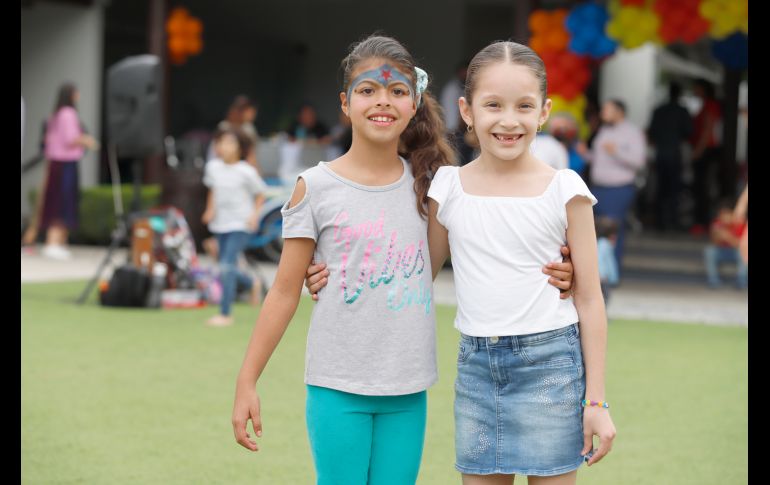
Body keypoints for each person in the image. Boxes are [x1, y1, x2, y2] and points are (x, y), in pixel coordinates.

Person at [231, 35, 575, 485]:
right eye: (368, 90)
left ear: (415, 103)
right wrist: (247, 380)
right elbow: (282, 290)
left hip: (408, 390)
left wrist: (562, 269)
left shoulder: (433, 187)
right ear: (345, 102)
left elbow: (491, 242)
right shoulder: (314, 187)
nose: (383, 101)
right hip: (337, 386)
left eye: (397, 91)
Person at [427, 40, 616, 484]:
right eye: (492, 105)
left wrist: (597, 402)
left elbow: (589, 300)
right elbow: (415, 276)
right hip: (475, 368)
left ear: (544, 111)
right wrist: (328, 270)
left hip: (551, 365)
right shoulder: (448, 186)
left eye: (524, 106)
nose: (509, 120)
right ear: (467, 110)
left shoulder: (564, 188)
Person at [201, 126, 267, 326]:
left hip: (241, 223)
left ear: (240, 148)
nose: (225, 146)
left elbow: (261, 194)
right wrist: (210, 209)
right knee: (225, 266)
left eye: (230, 142)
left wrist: (255, 215)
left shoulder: (246, 171)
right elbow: (213, 190)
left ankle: (225, 314)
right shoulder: (212, 167)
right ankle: (252, 283)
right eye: (221, 142)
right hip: (220, 223)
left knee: (226, 265)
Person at [577, 98, 646, 277]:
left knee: (613, 230)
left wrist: (616, 151)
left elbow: (638, 162)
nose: (602, 113)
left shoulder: (632, 132)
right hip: (598, 187)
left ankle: (611, 275)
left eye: (606, 109)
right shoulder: (604, 130)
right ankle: (595, 272)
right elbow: (599, 160)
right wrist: (586, 154)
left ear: (619, 112)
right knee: (594, 229)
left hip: (618, 189)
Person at [38, 82, 99, 260]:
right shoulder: (68, 114)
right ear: (71, 94)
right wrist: (88, 140)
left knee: (57, 200)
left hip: (56, 163)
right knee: (62, 201)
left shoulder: (55, 115)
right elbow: (70, 138)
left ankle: (58, 242)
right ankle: (53, 242)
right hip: (65, 163)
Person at [648, 82, 692, 232]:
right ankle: (673, 221)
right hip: (675, 153)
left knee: (660, 189)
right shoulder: (682, 111)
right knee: (674, 190)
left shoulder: (659, 110)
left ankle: (659, 221)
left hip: (661, 153)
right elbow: (688, 132)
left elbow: (652, 132)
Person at [688, 79, 723, 234]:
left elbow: (708, 130)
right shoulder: (705, 105)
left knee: (702, 187)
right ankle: (702, 222)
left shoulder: (710, 105)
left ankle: (702, 222)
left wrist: (698, 151)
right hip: (704, 149)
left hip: (706, 150)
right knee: (701, 187)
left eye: (697, 87)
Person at [703, 199, 747, 289]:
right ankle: (713, 281)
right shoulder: (717, 224)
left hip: (737, 253)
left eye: (726, 214)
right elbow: (714, 243)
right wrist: (717, 235)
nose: (723, 217)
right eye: (721, 215)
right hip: (723, 252)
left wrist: (728, 237)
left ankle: (742, 280)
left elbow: (743, 245)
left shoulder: (741, 224)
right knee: (709, 251)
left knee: (744, 252)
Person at [595, 216, 619, 303]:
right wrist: (602, 275)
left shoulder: (605, 244)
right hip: (603, 278)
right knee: (604, 298)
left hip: (605, 278)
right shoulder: (603, 244)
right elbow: (600, 260)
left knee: (605, 297)